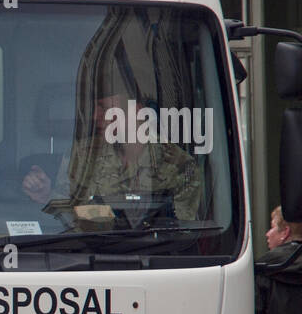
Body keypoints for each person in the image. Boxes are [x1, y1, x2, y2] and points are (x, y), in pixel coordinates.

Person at [21, 92, 202, 222]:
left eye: (104, 108)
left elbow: (180, 233)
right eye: (95, 108)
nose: (95, 116)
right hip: (84, 257)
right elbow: (64, 217)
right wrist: (46, 195)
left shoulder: (179, 165)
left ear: (137, 110)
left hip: (155, 266)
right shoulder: (82, 153)